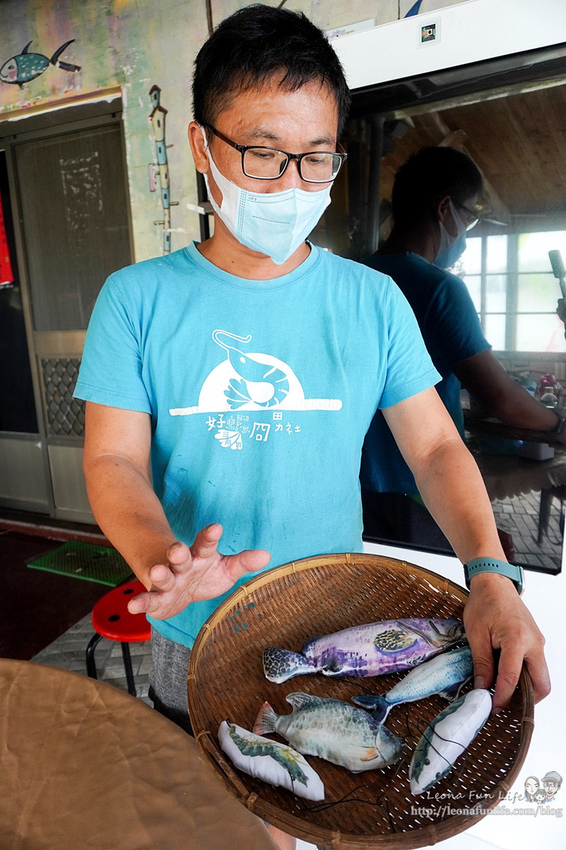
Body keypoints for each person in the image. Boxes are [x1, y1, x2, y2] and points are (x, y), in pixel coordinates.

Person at [75, 10, 549, 846]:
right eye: (261, 153)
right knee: (214, 821)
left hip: (337, 623)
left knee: (331, 810)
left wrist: (490, 571)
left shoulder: (371, 302)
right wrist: (162, 560)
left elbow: (437, 446)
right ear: (201, 146)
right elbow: (114, 460)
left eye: (316, 156)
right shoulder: (136, 299)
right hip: (196, 629)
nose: (291, 182)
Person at [361, 145, 566, 550]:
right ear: (444, 209)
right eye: (469, 215)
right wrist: (557, 423)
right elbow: (499, 397)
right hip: (419, 485)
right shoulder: (439, 289)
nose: (467, 230)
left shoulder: (354, 277)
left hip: (356, 483)